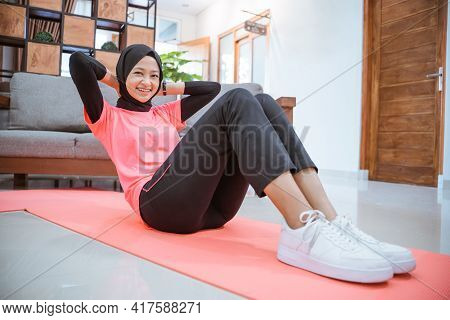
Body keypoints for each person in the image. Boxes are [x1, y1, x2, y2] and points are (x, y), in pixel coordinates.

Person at [69, 44, 415, 284]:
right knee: (238, 99)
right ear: (124, 74)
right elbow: (79, 64)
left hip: (212, 211)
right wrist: (117, 81)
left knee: (262, 101)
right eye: (138, 73)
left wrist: (160, 88)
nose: (147, 82)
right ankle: (302, 229)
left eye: (153, 76)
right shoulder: (107, 117)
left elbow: (210, 89)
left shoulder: (164, 112)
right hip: (158, 206)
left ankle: (331, 222)